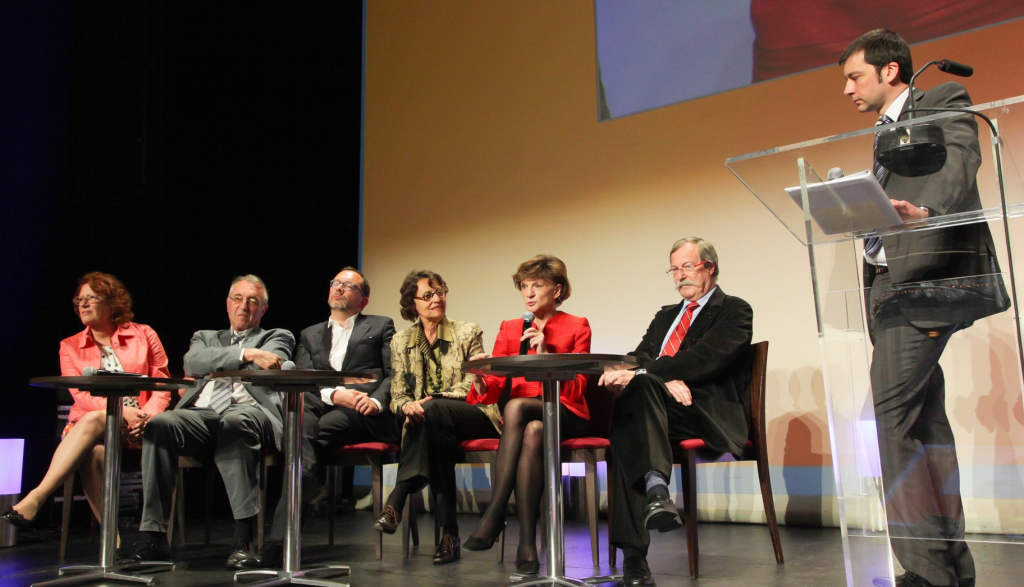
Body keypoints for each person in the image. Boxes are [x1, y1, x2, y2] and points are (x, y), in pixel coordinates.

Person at [840, 29, 1008, 587]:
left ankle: (925, 571)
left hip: (927, 287)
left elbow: (960, 162)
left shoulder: (940, 102)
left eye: (854, 76)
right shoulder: (883, 135)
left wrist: (928, 210)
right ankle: (952, 569)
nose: (847, 90)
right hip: (892, 291)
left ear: (890, 71)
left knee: (889, 422)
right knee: (924, 426)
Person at [599, 237, 753, 587]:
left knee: (635, 407)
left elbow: (706, 358)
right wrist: (652, 377)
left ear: (709, 267)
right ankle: (655, 497)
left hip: (701, 411)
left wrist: (652, 375)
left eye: (688, 266)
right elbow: (637, 358)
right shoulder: (665, 315)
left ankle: (634, 557)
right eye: (674, 269)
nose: (679, 275)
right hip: (658, 411)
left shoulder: (735, 310)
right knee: (634, 415)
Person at [118, 274, 295, 570]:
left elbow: (273, 361)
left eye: (253, 301)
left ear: (263, 309)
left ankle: (244, 538)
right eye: (237, 299)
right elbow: (193, 363)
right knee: (160, 424)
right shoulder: (205, 336)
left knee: (237, 421)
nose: (244, 306)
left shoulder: (277, 335)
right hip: (202, 413)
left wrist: (224, 359)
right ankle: (154, 537)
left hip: (251, 411)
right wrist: (245, 354)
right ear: (227, 304)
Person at [240, 267, 397, 569]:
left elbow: (393, 374)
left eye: (348, 286)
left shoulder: (379, 326)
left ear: (363, 300)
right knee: (301, 404)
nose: (339, 288)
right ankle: (306, 481)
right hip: (323, 409)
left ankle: (277, 542)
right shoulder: (309, 334)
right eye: (335, 283)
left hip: (365, 412)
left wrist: (376, 401)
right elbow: (305, 381)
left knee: (299, 433)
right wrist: (337, 395)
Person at [1, 273, 171, 533]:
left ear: (113, 301)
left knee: (95, 430)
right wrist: (123, 411)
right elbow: (82, 396)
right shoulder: (69, 346)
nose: (83, 304)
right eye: (79, 299)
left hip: (140, 427)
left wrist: (145, 416)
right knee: (93, 451)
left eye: (91, 297)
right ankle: (112, 542)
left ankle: (37, 496)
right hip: (91, 428)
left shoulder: (144, 334)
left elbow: (162, 385)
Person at [462, 255, 591, 574]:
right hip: (526, 423)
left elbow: (578, 388)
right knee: (532, 430)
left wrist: (546, 353)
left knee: (517, 406)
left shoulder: (577, 325)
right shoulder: (510, 328)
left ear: (557, 289)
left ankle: (494, 512)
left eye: (538, 285)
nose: (529, 293)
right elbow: (491, 387)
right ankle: (527, 542)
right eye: (524, 286)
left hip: (566, 411)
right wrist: (480, 375)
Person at [371, 270, 500, 565]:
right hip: (431, 422)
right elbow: (398, 394)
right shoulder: (400, 341)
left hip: (474, 413)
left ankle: (396, 501)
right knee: (434, 433)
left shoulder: (468, 331)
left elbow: (472, 385)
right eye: (427, 295)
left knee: (430, 413)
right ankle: (449, 536)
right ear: (411, 303)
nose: (436, 299)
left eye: (440, 292)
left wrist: (429, 403)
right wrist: (408, 408)